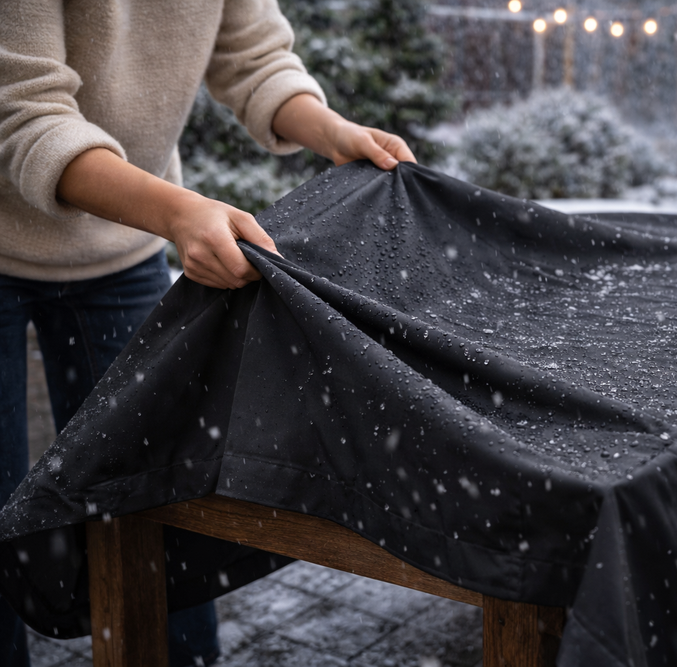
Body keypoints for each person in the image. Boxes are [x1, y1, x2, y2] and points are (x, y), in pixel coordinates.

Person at [0, 1, 415, 665]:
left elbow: (254, 57)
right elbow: (23, 113)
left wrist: (333, 131)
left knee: (152, 492)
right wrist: (179, 214)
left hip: (123, 242)